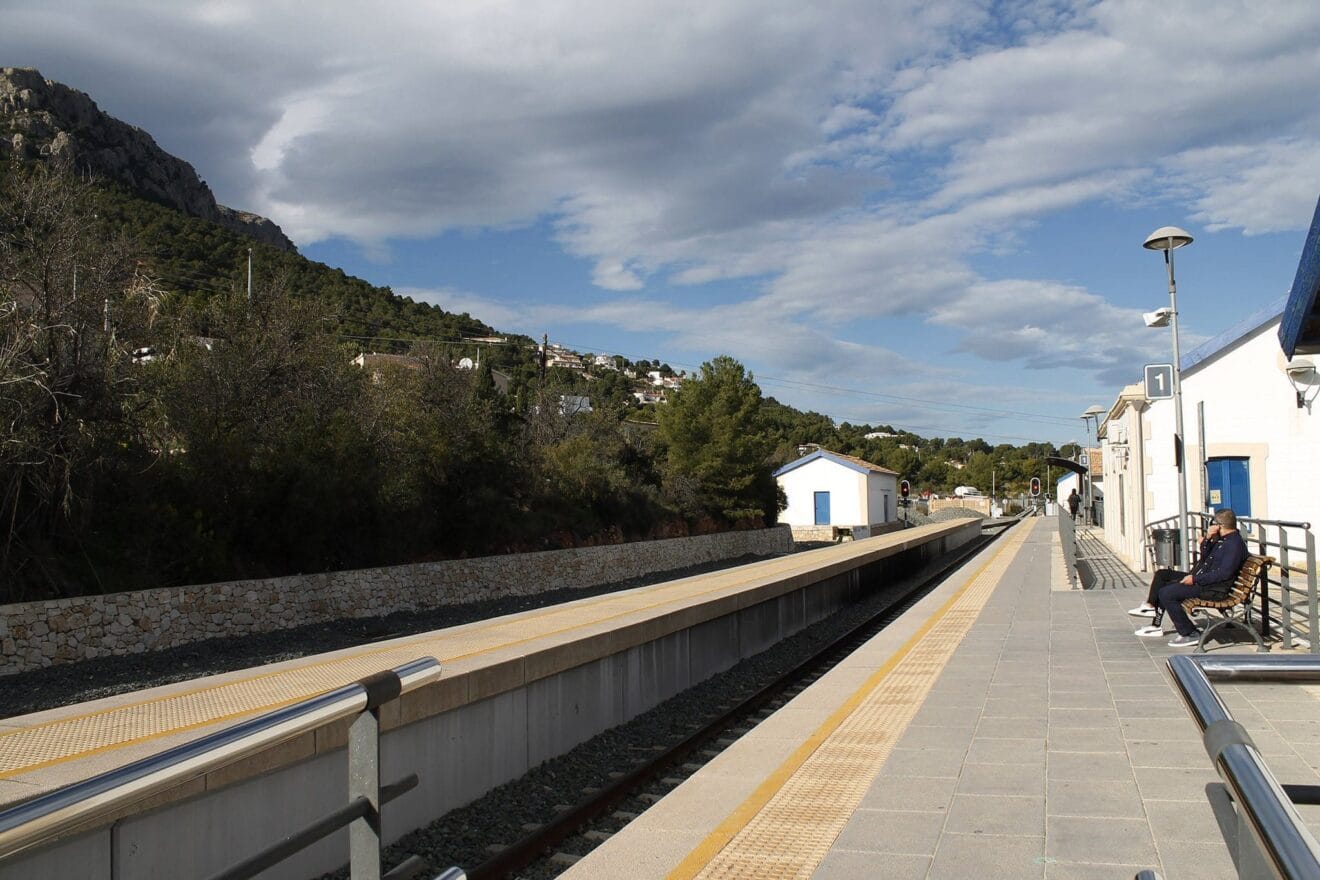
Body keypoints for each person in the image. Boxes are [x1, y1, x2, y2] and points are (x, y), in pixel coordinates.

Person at [1129, 508, 1248, 648]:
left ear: (1219, 525)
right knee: (1162, 575)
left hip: (1214, 589)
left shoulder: (1233, 545)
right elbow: (1205, 557)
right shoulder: (1223, 540)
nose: (1210, 526)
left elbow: (1224, 574)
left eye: (1212, 523)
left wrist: (1195, 580)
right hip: (1204, 580)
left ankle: (1189, 633)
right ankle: (1151, 610)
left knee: (1167, 592)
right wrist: (1207, 540)